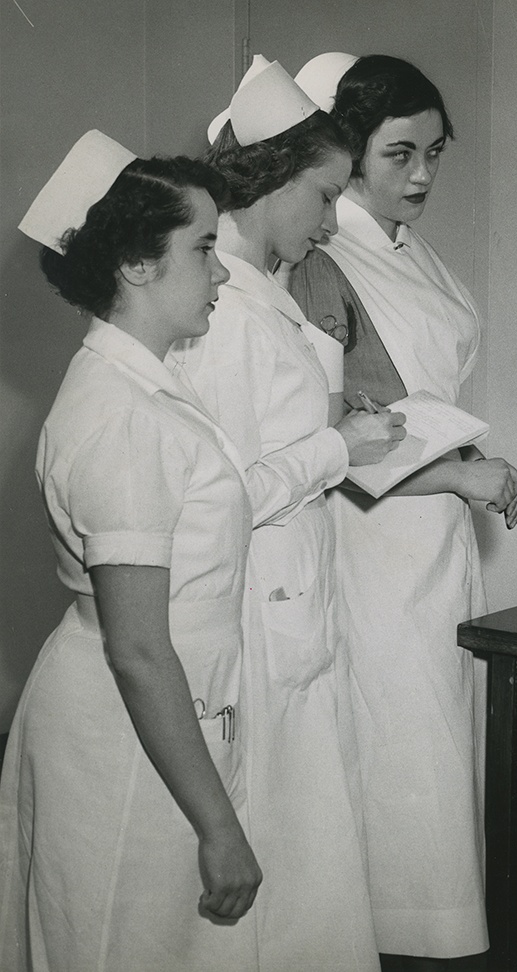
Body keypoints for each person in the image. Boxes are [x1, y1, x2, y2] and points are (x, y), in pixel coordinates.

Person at [0, 132, 260, 970]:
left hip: (148, 718)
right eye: (206, 248)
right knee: (117, 942)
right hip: (124, 728)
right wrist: (219, 826)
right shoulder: (127, 417)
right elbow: (140, 649)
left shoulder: (141, 385)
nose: (222, 273)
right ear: (138, 266)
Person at [288, 53, 517, 968]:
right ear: (348, 153)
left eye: (436, 152)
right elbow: (328, 437)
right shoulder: (324, 259)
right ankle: (380, 937)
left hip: (433, 529)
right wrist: (461, 474)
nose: (423, 175)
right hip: (369, 536)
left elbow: (417, 395)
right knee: (396, 735)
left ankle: (428, 931)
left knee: (431, 731)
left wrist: (463, 472)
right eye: (400, 154)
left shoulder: (403, 243)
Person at [176, 56, 405, 972]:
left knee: (308, 846)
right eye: (322, 196)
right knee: (277, 847)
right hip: (256, 616)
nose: (328, 221)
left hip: (291, 600)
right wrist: (339, 447)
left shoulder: (258, 293)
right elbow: (225, 491)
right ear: (270, 179)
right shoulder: (224, 308)